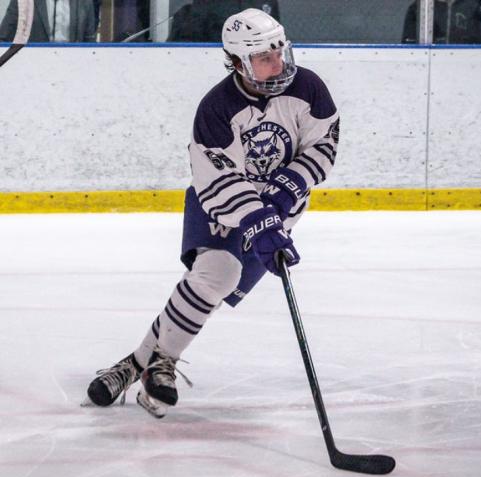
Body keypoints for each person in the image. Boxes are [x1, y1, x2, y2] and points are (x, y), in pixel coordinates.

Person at [85, 8, 340, 418]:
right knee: (217, 275)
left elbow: (323, 146)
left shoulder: (308, 87)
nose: (278, 64)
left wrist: (283, 194)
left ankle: (135, 364)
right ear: (239, 62)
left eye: (280, 52)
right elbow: (218, 180)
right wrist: (259, 218)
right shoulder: (217, 107)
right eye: (265, 58)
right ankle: (161, 364)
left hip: (281, 211)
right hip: (221, 205)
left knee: (209, 295)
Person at [168, 0, 280, 42]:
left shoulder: (267, 2)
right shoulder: (206, 4)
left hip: (260, 66)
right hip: (217, 64)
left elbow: (276, 37)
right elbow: (186, 45)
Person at [0, 0, 96, 42]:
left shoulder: (84, 2)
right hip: (32, 69)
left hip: (71, 68)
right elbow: (4, 37)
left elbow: (90, 43)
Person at [402, 0, 481, 44]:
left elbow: (477, 46)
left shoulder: (472, 7)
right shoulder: (418, 8)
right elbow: (410, 48)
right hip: (431, 65)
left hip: (463, 64)